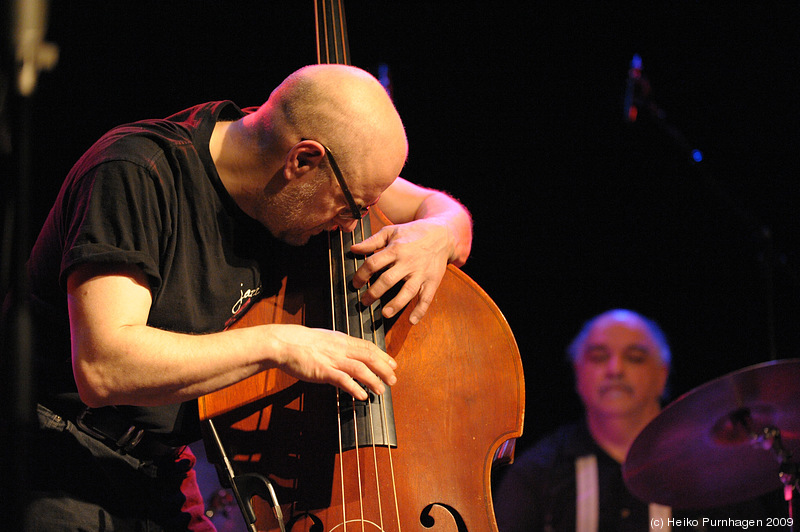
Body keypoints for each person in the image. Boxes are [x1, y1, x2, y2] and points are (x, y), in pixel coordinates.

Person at [3, 63, 472, 531]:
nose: (354, 227)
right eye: (353, 209)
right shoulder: (136, 172)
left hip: (157, 470)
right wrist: (283, 344)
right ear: (301, 161)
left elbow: (446, 212)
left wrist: (437, 234)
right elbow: (104, 367)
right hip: (52, 456)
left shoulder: (301, 159)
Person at [492, 309, 780, 532]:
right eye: (599, 356)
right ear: (577, 373)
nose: (615, 369)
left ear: (663, 373)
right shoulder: (538, 473)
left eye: (635, 357)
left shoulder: (712, 468)